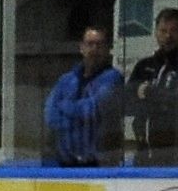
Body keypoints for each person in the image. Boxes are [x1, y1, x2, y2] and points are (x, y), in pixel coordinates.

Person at [125, 8, 178, 166]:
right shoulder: (145, 65)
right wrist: (164, 96)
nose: (168, 36)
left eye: (174, 31)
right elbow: (126, 101)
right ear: (156, 33)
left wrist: (149, 92)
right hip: (145, 151)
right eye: (163, 31)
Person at [42, 28, 123, 168]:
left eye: (99, 45)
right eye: (90, 44)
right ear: (81, 47)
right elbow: (50, 116)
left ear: (108, 49)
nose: (94, 49)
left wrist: (64, 106)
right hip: (65, 163)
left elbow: (92, 110)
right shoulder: (66, 80)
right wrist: (74, 115)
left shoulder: (113, 78)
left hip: (100, 164)